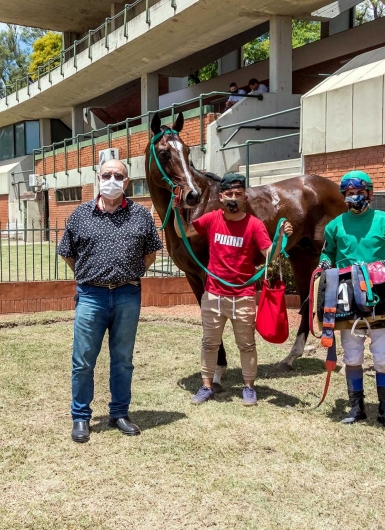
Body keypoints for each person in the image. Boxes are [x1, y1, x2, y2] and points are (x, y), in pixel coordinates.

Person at [57, 159, 163, 443]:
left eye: (119, 175)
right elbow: (68, 253)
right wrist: (88, 275)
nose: (112, 179)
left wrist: (130, 272)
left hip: (127, 294)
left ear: (127, 182)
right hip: (92, 295)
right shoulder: (80, 214)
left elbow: (151, 253)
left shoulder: (141, 215)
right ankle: (81, 417)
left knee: (123, 360)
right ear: (98, 178)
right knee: (83, 362)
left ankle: (119, 413)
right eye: (107, 175)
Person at [175, 173, 292, 406]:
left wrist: (279, 238)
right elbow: (183, 232)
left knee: (246, 344)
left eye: (238, 194)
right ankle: (206, 386)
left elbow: (269, 255)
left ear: (245, 197)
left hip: (243, 295)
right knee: (209, 343)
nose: (233, 198)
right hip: (214, 294)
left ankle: (249, 387)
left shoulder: (254, 225)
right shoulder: (212, 219)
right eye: (229, 194)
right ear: (221, 197)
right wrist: (177, 208)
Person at [319, 170, 385, 433]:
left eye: (358, 192)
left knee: (383, 357)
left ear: (369, 194)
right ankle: (356, 407)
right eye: (348, 194)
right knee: (352, 355)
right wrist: (324, 262)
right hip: (347, 296)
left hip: (381, 295)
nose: (354, 197)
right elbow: (327, 251)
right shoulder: (335, 225)